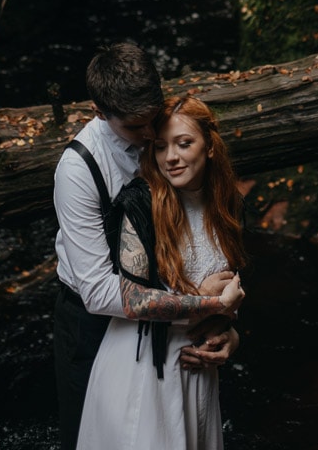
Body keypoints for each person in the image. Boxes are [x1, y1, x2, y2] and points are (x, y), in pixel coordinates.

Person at [53, 43, 238, 450]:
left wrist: (226, 327)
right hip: (93, 320)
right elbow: (100, 292)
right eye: (138, 129)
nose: (153, 137)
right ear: (100, 112)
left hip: (175, 336)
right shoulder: (78, 171)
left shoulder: (171, 137)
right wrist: (205, 306)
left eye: (154, 120)